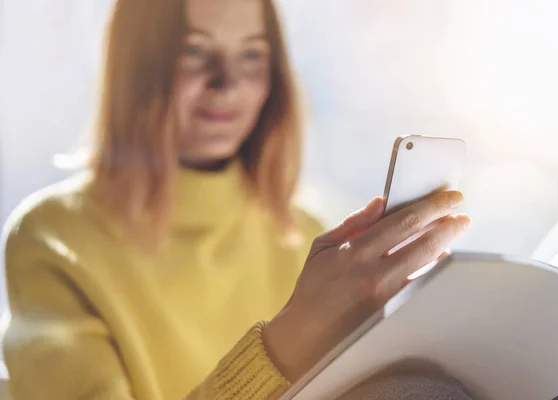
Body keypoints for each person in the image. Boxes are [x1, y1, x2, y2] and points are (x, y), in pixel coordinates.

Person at [1, 0, 471, 399]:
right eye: (194, 50)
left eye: (251, 55)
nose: (228, 82)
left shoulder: (306, 231)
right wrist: (291, 338)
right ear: (135, 64)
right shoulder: (53, 238)